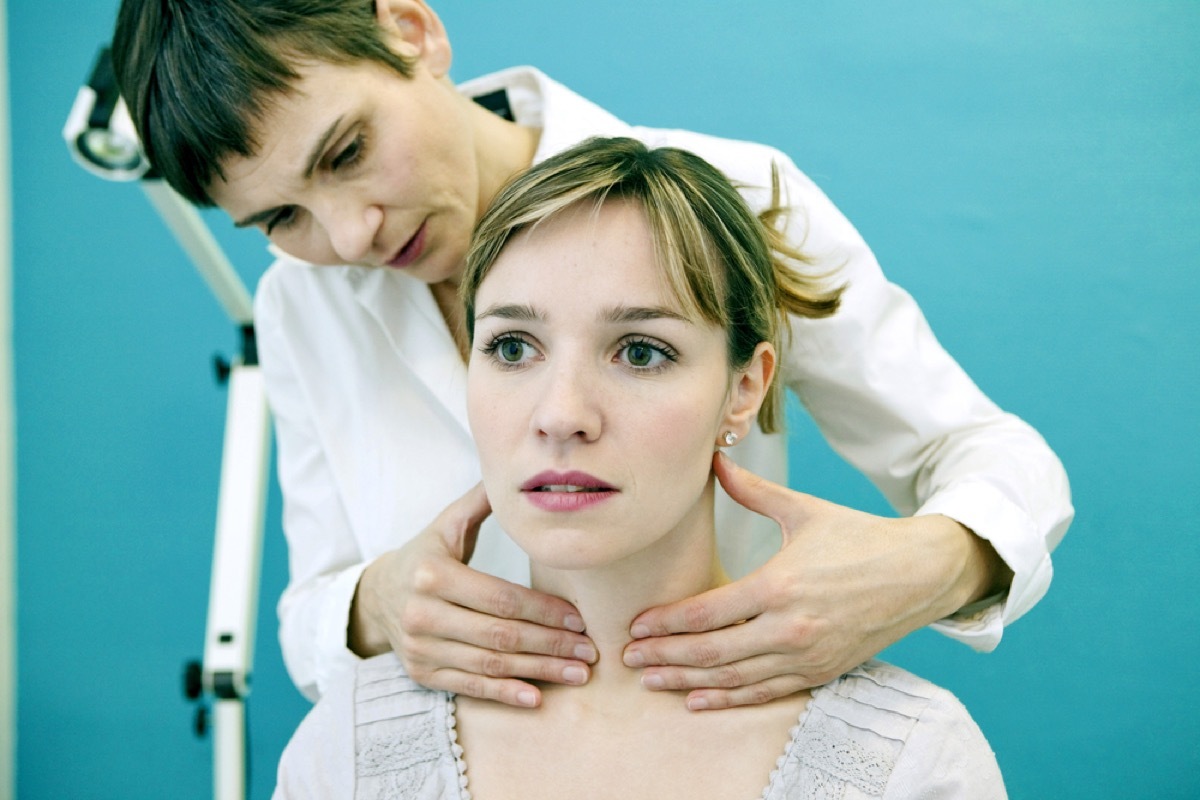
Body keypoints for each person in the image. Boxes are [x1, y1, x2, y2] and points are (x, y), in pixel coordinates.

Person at [111, 0, 1073, 708]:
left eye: (348, 151)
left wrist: (930, 565)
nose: (350, 235)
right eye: (281, 216)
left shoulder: (733, 197)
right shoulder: (301, 301)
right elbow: (310, 612)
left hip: (711, 733)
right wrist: (379, 604)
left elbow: (988, 454)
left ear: (411, 30)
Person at [273, 135, 1007, 799]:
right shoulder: (346, 754)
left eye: (640, 352)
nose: (561, 414)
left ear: (743, 390)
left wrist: (948, 559)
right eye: (511, 348)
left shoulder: (913, 760)